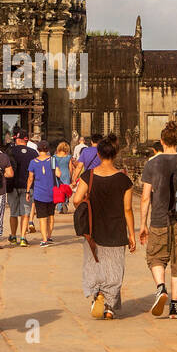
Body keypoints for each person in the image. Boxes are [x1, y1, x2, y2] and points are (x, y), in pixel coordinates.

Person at [140, 121, 177, 319]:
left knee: (155, 257)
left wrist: (142, 225)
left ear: (161, 141)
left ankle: (160, 287)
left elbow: (145, 197)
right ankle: (174, 306)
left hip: (159, 218)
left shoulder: (152, 163)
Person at [70, 135, 136, 319]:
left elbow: (76, 200)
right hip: (116, 228)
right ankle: (109, 307)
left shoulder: (88, 176)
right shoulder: (124, 180)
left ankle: (98, 294)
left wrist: (86, 205)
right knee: (115, 267)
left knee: (95, 264)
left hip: (93, 228)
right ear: (115, 155)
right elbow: (128, 209)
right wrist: (132, 234)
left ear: (98, 154)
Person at [5, 129, 39, 247]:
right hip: (27, 187)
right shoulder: (34, 152)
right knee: (25, 213)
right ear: (27, 140)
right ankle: (23, 238)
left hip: (13, 185)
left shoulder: (10, 151)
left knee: (13, 213)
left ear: (17, 139)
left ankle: (14, 236)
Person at [26, 141, 59, 246]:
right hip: (52, 192)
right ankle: (49, 236)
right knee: (51, 216)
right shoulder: (52, 160)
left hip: (39, 192)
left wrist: (27, 191)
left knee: (42, 217)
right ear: (48, 149)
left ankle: (44, 240)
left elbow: (30, 178)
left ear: (38, 150)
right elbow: (58, 173)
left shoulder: (33, 162)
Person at [52, 141, 73, 213]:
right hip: (66, 174)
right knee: (65, 190)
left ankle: (59, 205)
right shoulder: (68, 157)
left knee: (58, 190)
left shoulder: (53, 157)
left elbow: (52, 167)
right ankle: (65, 203)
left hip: (56, 174)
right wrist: (70, 176)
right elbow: (70, 168)